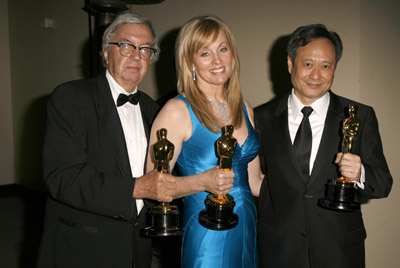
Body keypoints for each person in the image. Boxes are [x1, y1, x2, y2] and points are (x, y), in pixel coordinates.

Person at [36, 13, 177, 268]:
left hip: (139, 246)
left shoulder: (152, 109)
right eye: (126, 45)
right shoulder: (71, 98)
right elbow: (63, 178)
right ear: (105, 52)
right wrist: (138, 188)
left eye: (145, 49)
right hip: (85, 245)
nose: (136, 55)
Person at [254, 24, 393, 268]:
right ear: (290, 64)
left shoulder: (361, 115)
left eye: (326, 66)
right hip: (278, 251)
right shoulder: (260, 118)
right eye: (308, 64)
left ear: (335, 68)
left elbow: (382, 183)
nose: (316, 75)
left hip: (339, 253)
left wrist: (359, 172)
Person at [146, 15, 264, 268]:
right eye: (205, 53)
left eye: (223, 49)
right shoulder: (176, 110)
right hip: (206, 227)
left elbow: (255, 183)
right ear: (190, 62)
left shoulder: (245, 108)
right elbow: (151, 184)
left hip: (246, 226)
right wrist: (202, 181)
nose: (218, 60)